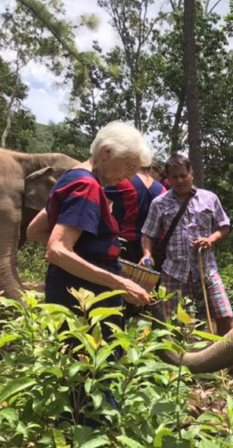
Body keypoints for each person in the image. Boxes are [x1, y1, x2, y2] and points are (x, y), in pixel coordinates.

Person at [140, 153, 233, 384]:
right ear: (168, 178)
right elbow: (148, 234)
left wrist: (211, 239)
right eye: (175, 177)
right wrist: (147, 254)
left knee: (224, 313)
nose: (180, 180)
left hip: (206, 267)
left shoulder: (209, 198)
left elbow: (224, 226)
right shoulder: (159, 203)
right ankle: (184, 365)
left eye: (184, 175)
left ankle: (231, 361)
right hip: (174, 270)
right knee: (179, 319)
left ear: (192, 175)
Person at [32, 121, 152, 322]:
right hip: (86, 299)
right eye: (129, 167)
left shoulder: (71, 177)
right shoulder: (87, 186)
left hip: (68, 288)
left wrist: (87, 254)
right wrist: (120, 283)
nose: (129, 178)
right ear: (106, 152)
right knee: (92, 353)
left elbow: (35, 230)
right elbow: (57, 250)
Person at [105, 166, 166, 263]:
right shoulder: (162, 191)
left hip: (119, 243)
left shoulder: (123, 181)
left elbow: (100, 207)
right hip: (149, 250)